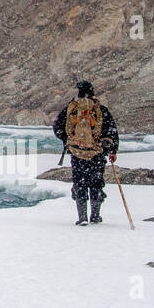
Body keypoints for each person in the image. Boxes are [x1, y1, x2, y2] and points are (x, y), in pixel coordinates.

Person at [52, 80, 118, 225]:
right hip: (96, 153)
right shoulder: (100, 109)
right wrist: (111, 150)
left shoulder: (72, 108)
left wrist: (68, 141)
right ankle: (95, 216)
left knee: (79, 183)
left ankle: (82, 217)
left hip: (77, 153)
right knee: (96, 183)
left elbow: (57, 127)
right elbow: (112, 130)